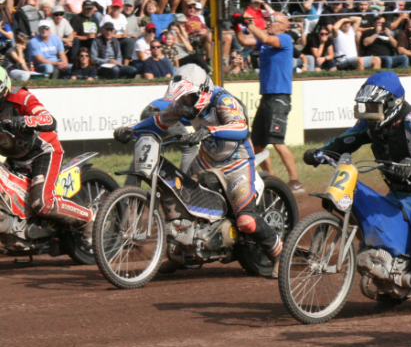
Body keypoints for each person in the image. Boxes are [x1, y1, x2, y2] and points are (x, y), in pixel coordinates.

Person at [114, 66, 283, 274]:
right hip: (205, 162)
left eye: (188, 98)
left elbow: (241, 128)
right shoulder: (185, 105)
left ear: (202, 91)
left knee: (246, 221)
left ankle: (279, 255)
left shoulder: (222, 101)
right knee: (179, 203)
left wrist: (209, 131)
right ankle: (182, 255)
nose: (184, 104)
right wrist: (131, 130)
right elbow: (158, 121)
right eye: (182, 99)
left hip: (237, 165)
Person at [304, 71, 411, 268]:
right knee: (377, 241)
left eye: (373, 106)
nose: (368, 112)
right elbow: (345, 141)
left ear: (391, 103)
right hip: (397, 194)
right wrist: (320, 152)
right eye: (366, 106)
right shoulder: (369, 124)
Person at [0, 69, 94, 234]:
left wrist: (25, 121)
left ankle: (88, 219)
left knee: (42, 204)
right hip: (14, 157)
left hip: (42, 152)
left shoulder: (21, 97)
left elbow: (49, 119)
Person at [234, 12, 303, 192]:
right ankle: (270, 180)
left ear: (284, 25)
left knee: (278, 142)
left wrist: (248, 23)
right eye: (268, 20)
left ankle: (295, 181)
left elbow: (264, 37)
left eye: (272, 21)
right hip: (267, 96)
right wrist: (236, 25)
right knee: (257, 144)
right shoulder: (265, 41)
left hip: (279, 96)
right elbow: (244, 41)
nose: (268, 23)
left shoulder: (285, 39)